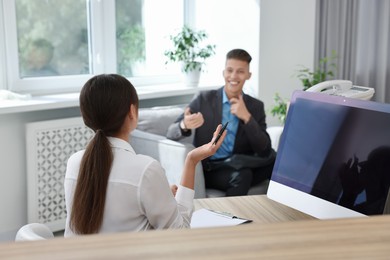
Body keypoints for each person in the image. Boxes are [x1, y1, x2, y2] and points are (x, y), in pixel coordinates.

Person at [64, 74, 226, 236]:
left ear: (85, 116)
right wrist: (191, 160)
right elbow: (179, 234)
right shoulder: (145, 170)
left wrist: (159, 193)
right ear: (132, 112)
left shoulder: (74, 163)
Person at [166, 49, 275, 196]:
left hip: (240, 163)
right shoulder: (203, 99)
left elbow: (264, 149)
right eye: (230, 70)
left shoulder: (255, 106)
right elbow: (170, 133)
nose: (234, 76)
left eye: (240, 71)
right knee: (243, 175)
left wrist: (247, 117)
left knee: (277, 163)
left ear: (248, 75)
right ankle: (229, 218)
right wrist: (184, 124)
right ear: (223, 72)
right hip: (211, 168)